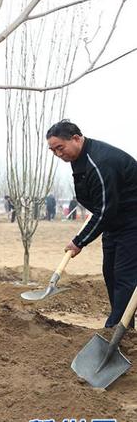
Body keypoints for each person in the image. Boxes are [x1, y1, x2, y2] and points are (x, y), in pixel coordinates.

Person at [47, 119, 137, 328]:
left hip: (132, 222)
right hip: (115, 223)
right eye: (53, 151)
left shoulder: (101, 162)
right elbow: (100, 206)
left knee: (124, 278)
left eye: (60, 148)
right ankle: (124, 326)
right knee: (111, 274)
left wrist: (80, 241)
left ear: (76, 139)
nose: (59, 154)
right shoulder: (81, 160)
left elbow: (105, 210)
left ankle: (116, 330)